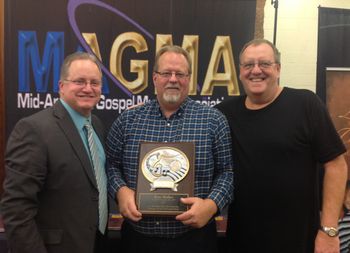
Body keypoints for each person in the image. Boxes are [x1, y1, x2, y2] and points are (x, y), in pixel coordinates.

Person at [215, 38, 348, 253]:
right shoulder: (224, 113)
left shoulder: (306, 104)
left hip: (299, 241)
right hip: (242, 241)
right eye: (248, 65)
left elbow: (336, 166)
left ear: (278, 69)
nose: (255, 70)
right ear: (240, 71)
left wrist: (329, 231)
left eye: (264, 64)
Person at [106, 45, 233, 253]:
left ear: (189, 78)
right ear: (155, 78)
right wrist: (120, 191)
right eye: (166, 73)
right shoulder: (128, 120)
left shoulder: (213, 121)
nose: (173, 79)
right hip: (138, 240)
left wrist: (211, 206)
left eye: (180, 74)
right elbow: (111, 165)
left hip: (195, 240)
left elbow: (227, 172)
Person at [1, 52, 110, 253]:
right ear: (62, 86)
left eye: (94, 82)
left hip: (95, 243)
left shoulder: (96, 125)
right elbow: (16, 210)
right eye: (79, 81)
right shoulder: (33, 130)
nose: (88, 88)